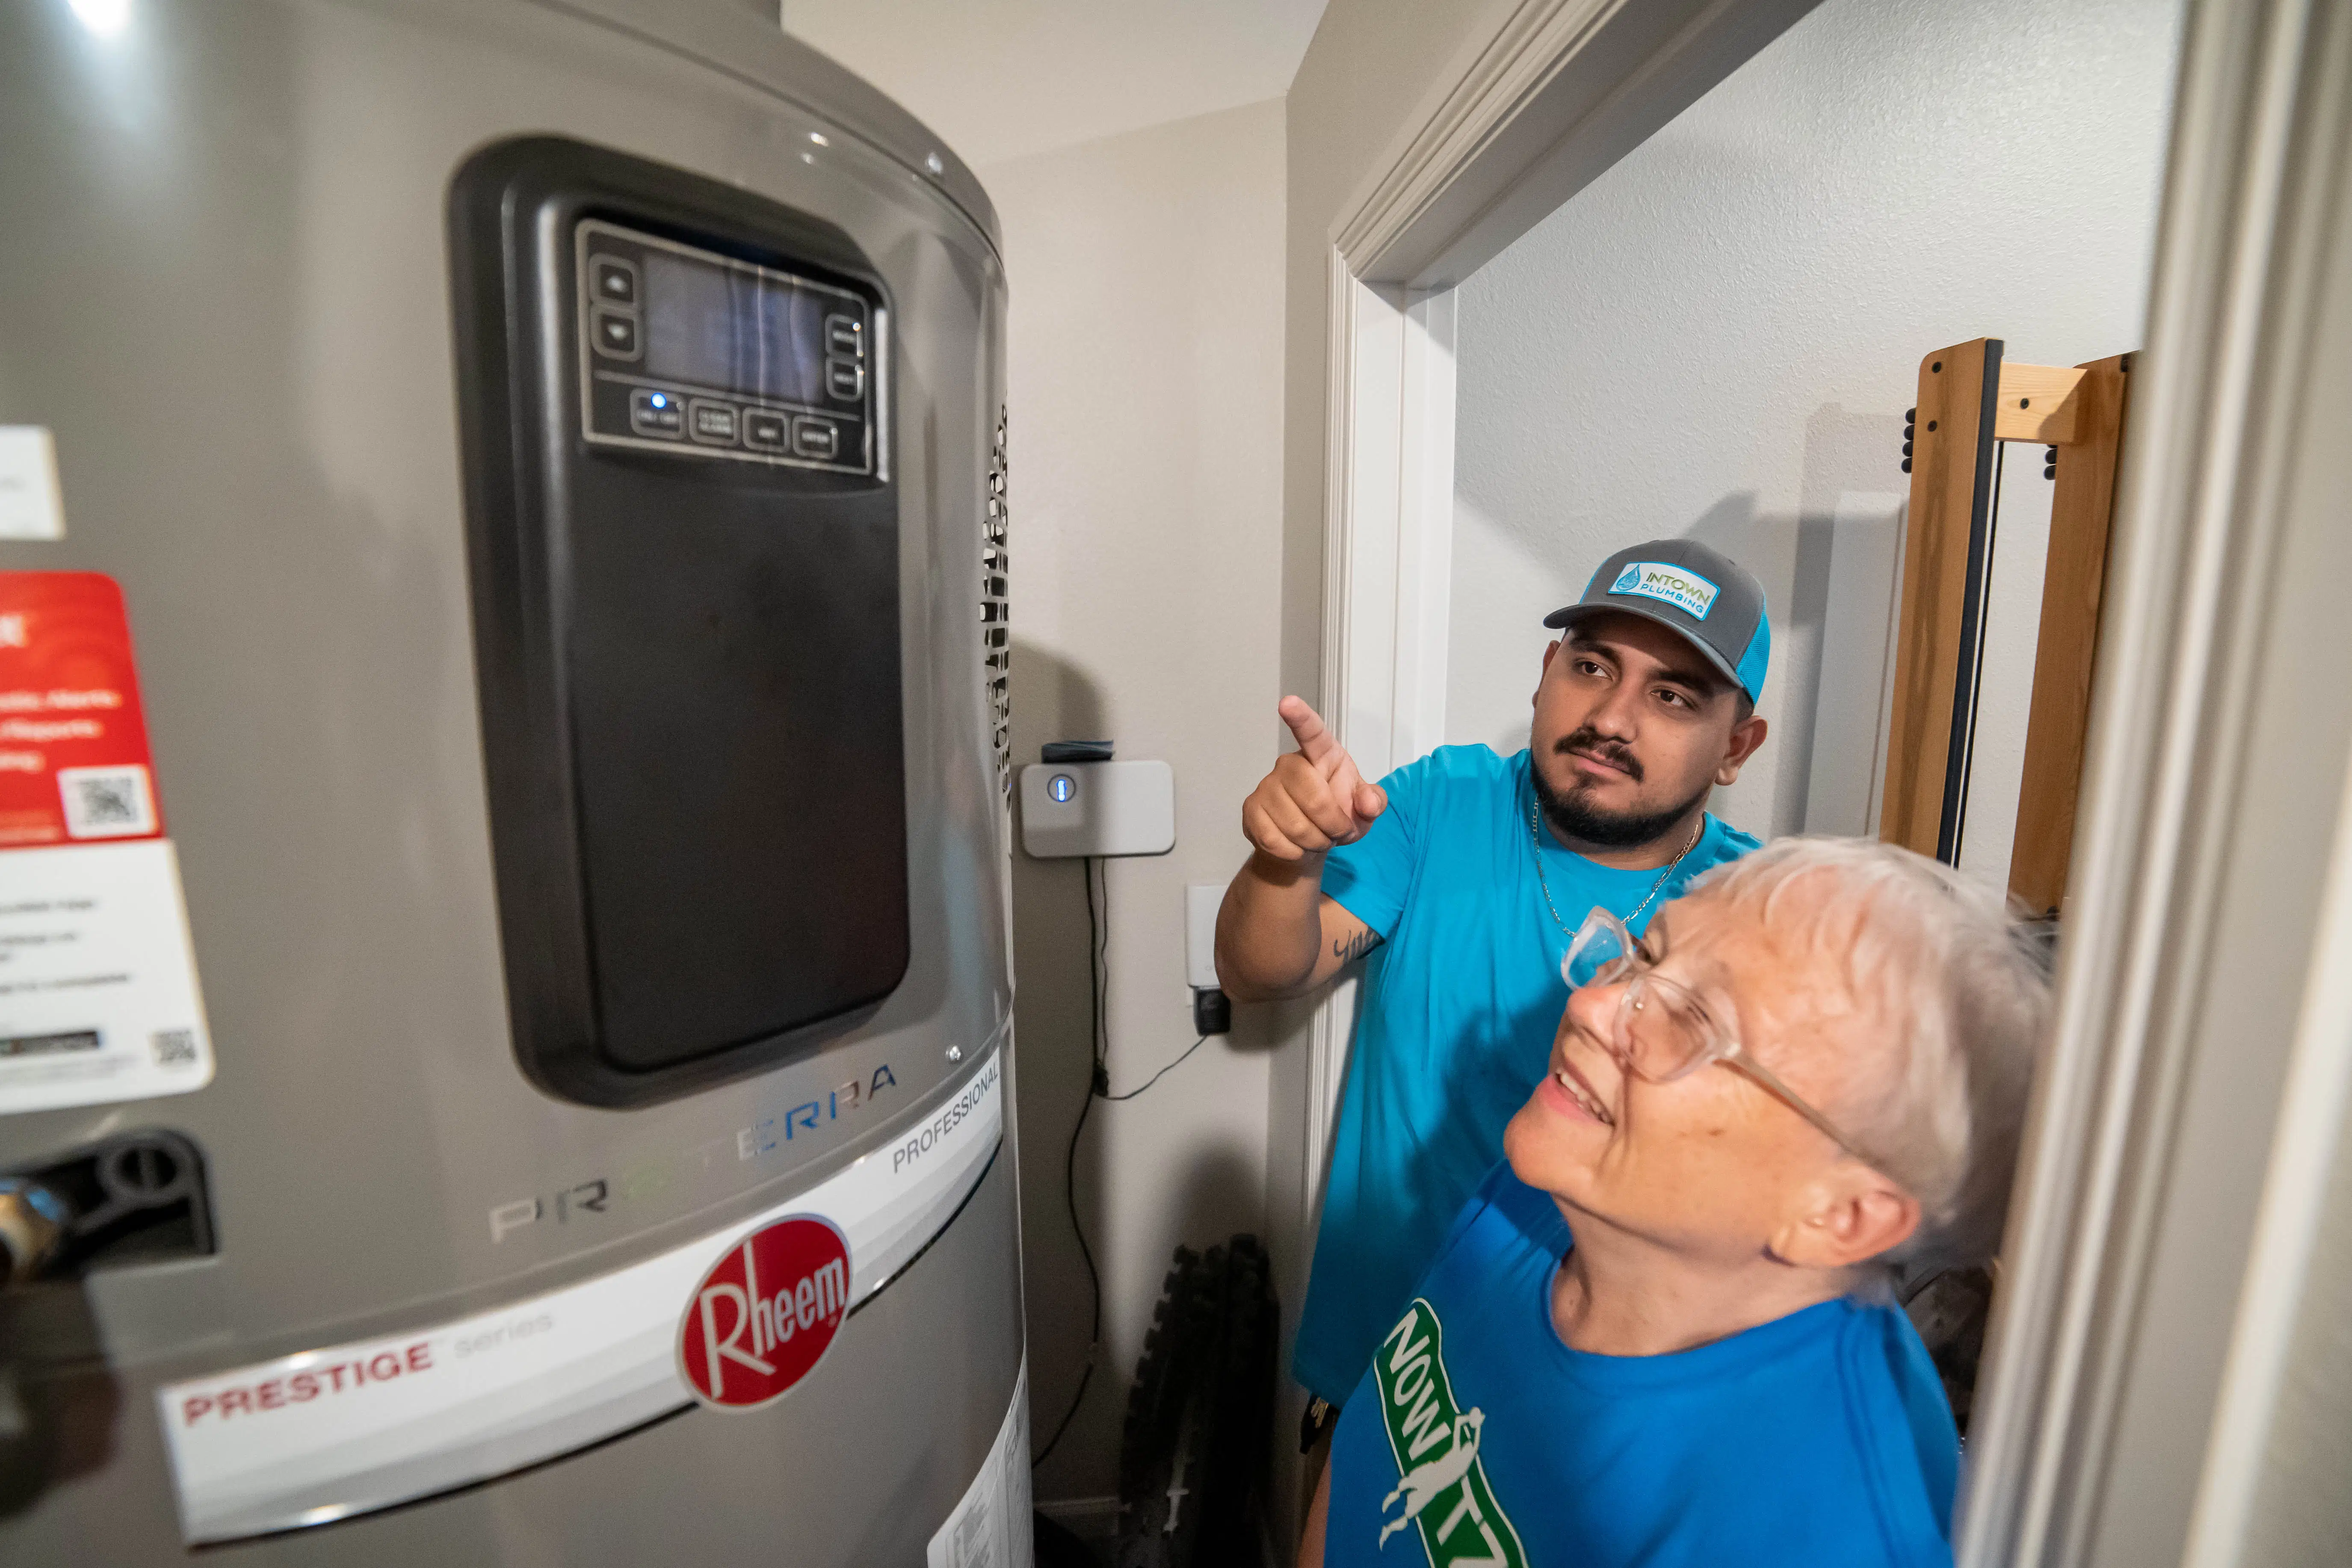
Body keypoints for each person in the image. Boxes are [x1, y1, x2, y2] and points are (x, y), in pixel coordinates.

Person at [1296, 837, 2048, 1568]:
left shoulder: (1818, 1531)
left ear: (1839, 1215)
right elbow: (1379, 1438)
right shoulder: (1558, 1180)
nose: (1592, 1004)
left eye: (1693, 1021)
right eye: (1642, 956)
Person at [1216, 539, 1773, 1435]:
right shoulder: (1441, 805)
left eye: (1670, 696)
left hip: (1592, 1417)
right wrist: (1286, 863)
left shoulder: (1755, 914)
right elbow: (1260, 971)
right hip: (1380, 1377)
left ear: (1736, 748)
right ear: (1548, 671)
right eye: (1591, 667)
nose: (1613, 718)